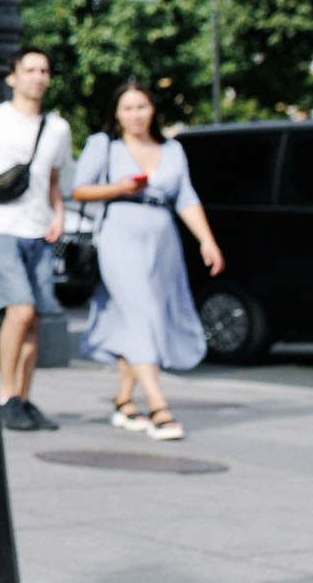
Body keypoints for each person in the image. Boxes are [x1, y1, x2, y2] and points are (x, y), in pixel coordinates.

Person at [71, 80, 226, 441]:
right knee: (143, 315)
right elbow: (80, 189)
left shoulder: (172, 149)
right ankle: (159, 407)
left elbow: (186, 197)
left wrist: (207, 240)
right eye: (127, 108)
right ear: (116, 114)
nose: (135, 115)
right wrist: (120, 187)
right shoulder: (104, 145)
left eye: (141, 107)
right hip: (120, 234)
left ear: (152, 110)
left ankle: (124, 401)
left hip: (162, 239)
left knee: (142, 315)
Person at [0, 47, 73, 432]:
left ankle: (23, 397)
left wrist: (59, 216)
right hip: (2, 226)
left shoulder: (58, 128)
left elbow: (53, 181)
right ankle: (6, 395)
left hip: (39, 229)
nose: (38, 77)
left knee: (34, 318)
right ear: (13, 77)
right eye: (30, 70)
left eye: (44, 70)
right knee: (19, 311)